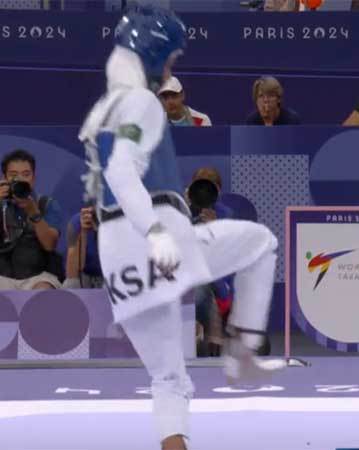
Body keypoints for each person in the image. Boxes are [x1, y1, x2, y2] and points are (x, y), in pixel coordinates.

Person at [78, 6, 284, 450]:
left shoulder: (103, 109)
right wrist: (155, 233)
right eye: (169, 58)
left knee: (168, 378)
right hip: (155, 233)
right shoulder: (140, 102)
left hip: (116, 255)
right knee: (261, 242)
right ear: (152, 54)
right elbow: (121, 173)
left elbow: (104, 181)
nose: (170, 69)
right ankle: (243, 350)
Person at [0, 149, 63, 289]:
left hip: (37, 276)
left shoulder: (46, 204)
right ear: (5, 178)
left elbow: (50, 245)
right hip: (2, 277)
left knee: (43, 290)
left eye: (26, 174)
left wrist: (34, 213)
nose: (20, 180)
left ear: (33, 178)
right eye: (13, 175)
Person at [63, 206, 104, 288]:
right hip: (89, 276)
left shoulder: (124, 219)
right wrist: (83, 232)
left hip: (116, 273)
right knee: (71, 284)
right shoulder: (77, 221)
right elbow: (72, 274)